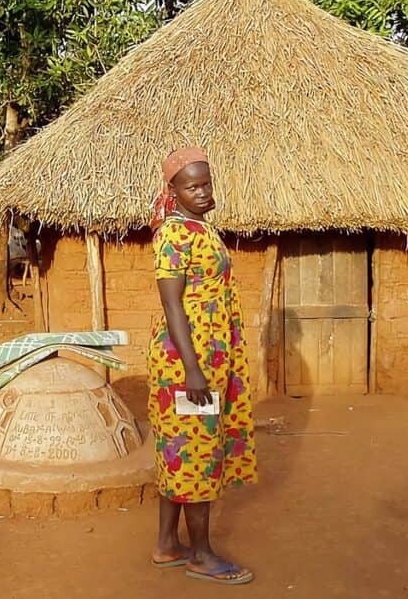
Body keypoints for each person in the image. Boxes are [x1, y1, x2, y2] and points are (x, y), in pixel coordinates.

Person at [147, 146, 258, 584]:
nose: (203, 192)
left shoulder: (201, 229)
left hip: (208, 357)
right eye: (192, 186)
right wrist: (193, 369)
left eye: (206, 184)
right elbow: (172, 305)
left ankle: (166, 545)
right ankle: (201, 555)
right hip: (186, 362)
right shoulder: (174, 236)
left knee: (180, 451)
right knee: (194, 451)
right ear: (172, 191)